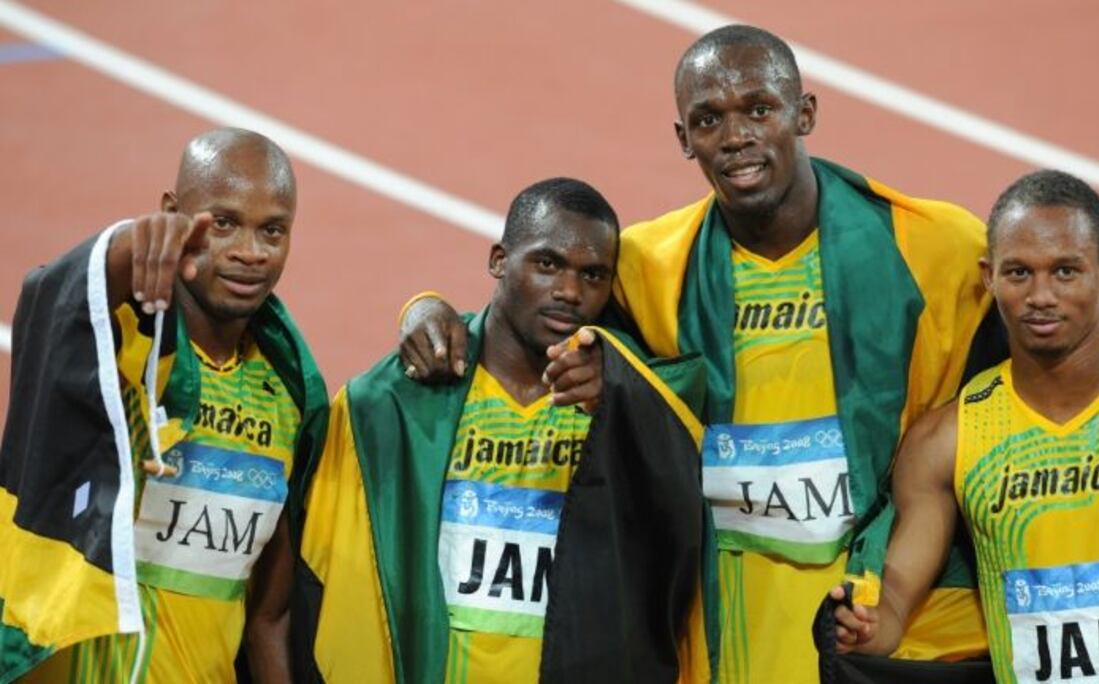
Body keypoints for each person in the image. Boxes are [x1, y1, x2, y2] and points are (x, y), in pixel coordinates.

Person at [397, 25, 1004, 682]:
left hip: (883, 624)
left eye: (759, 109)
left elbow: (1026, 374)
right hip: (722, 631)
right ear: (685, 139)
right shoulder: (652, 266)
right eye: (709, 118)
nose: (736, 134)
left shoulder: (936, 248)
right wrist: (430, 310)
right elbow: (537, 307)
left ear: (805, 113)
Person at [294, 178, 706, 683]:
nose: (570, 291)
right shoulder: (399, 400)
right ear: (498, 261)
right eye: (547, 263)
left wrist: (624, 392)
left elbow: (684, 514)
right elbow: (322, 574)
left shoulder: (625, 400)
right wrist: (419, 306)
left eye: (593, 274)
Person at [828, 169, 1099, 683]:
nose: (1041, 295)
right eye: (1018, 273)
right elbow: (898, 594)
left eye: (1065, 272)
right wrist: (873, 623)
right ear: (989, 277)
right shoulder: (950, 439)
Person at [0, 128, 328, 683]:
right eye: (222, 223)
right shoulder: (129, 347)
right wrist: (130, 242)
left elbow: (269, 616)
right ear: (174, 211)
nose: (250, 252)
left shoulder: (287, 393)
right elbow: (62, 302)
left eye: (272, 230)